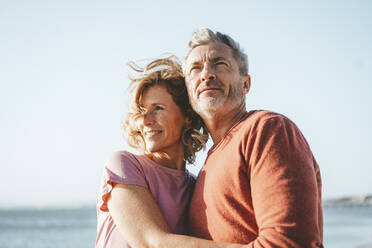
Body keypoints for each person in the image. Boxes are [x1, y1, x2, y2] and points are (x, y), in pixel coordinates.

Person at [183, 28, 323, 248]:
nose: (206, 74)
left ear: (246, 84)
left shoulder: (267, 129)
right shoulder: (207, 164)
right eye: (195, 68)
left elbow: (289, 243)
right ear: (189, 92)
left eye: (220, 64)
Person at [95, 56, 247, 248]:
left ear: (187, 116)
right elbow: (151, 242)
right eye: (142, 111)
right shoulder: (123, 165)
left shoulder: (196, 186)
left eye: (157, 108)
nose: (146, 120)